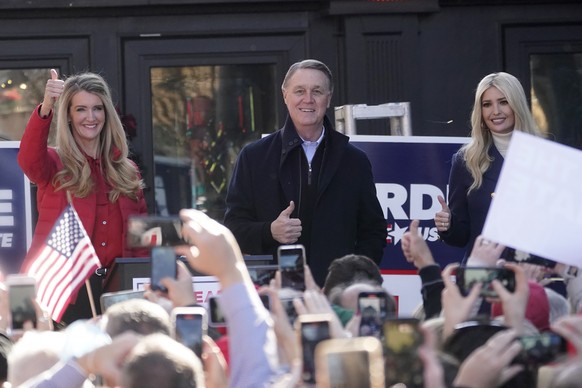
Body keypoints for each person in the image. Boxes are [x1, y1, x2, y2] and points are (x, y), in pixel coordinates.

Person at [223, 59, 387, 286]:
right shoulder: (253, 157)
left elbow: (374, 232)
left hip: (336, 297)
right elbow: (232, 228)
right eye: (299, 91)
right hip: (275, 295)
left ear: (328, 98)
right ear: (285, 95)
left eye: (317, 91)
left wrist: (351, 282)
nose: (308, 99)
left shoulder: (354, 161)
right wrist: (270, 231)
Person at [17, 69, 147, 323]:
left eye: (97, 108)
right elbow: (28, 161)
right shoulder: (55, 163)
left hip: (118, 295)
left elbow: (140, 240)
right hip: (66, 290)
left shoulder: (127, 170)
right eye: (80, 109)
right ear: (68, 115)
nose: (91, 117)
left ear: (107, 114)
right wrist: (46, 108)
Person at [434, 72, 544, 261]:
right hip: (484, 277)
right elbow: (460, 237)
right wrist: (448, 225)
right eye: (487, 104)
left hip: (533, 274)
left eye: (503, 102)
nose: (495, 111)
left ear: (516, 104)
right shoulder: (466, 160)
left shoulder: (545, 156)